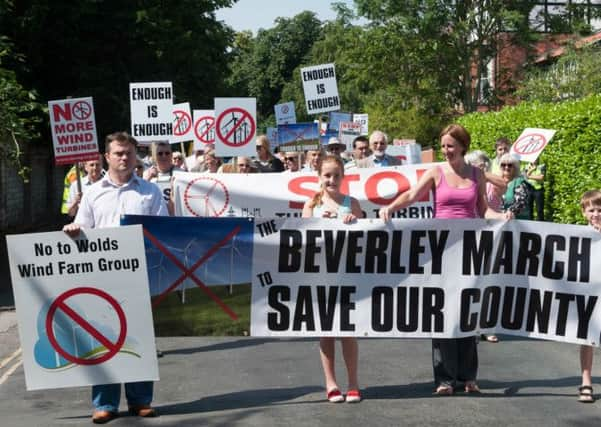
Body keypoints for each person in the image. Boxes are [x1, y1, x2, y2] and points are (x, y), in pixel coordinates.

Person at [379, 124, 509, 395]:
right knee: (441, 310)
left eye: (451, 145)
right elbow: (412, 195)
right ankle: (445, 379)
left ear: (463, 146)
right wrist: (390, 208)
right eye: (443, 146)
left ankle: (468, 377)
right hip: (441, 251)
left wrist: (502, 217)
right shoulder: (436, 172)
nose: (446, 150)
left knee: (467, 311)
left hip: (470, 251)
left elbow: (483, 209)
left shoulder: (476, 174)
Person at [63, 131, 167, 424]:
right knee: (103, 340)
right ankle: (104, 403)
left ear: (136, 156)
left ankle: (140, 400)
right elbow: (82, 225)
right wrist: (74, 229)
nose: (124, 158)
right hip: (102, 279)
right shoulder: (94, 193)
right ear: (106, 157)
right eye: (118, 153)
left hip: (139, 276)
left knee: (139, 339)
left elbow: (162, 231)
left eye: (129, 153)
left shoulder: (150, 192)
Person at [302, 154, 363, 403]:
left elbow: (366, 237)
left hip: (347, 274)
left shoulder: (353, 203)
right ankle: (331, 383)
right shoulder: (310, 205)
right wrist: (317, 222)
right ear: (319, 177)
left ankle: (353, 383)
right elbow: (302, 241)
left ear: (343, 177)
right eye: (327, 175)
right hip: (321, 275)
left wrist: (354, 221)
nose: (332, 180)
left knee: (347, 331)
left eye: (336, 175)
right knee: (326, 331)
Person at [464, 150, 506, 344]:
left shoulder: (491, 183)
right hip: (471, 236)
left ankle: (487, 326)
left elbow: (504, 185)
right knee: (470, 283)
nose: (479, 167)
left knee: (489, 281)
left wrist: (482, 174)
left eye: (482, 164)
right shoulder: (468, 184)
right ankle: (470, 325)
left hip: (492, 236)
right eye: (474, 165)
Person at [577, 190, 601, 403]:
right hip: (589, 293)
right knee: (588, 338)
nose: (596, 214)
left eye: (600, 210)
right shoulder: (578, 236)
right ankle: (586, 381)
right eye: (591, 210)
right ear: (584, 212)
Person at [143, 141, 182, 215]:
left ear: (171, 155)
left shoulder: (180, 173)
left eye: (167, 153)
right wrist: (147, 179)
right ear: (154, 156)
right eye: (160, 153)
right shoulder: (147, 174)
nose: (164, 156)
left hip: (175, 217)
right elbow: (140, 195)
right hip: (154, 217)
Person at [499, 153, 531, 220]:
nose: (506, 167)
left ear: (515, 168)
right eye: (503, 165)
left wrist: (510, 211)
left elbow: (521, 202)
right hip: (498, 221)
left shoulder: (519, 182)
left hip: (518, 223)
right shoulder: (496, 181)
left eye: (510, 165)